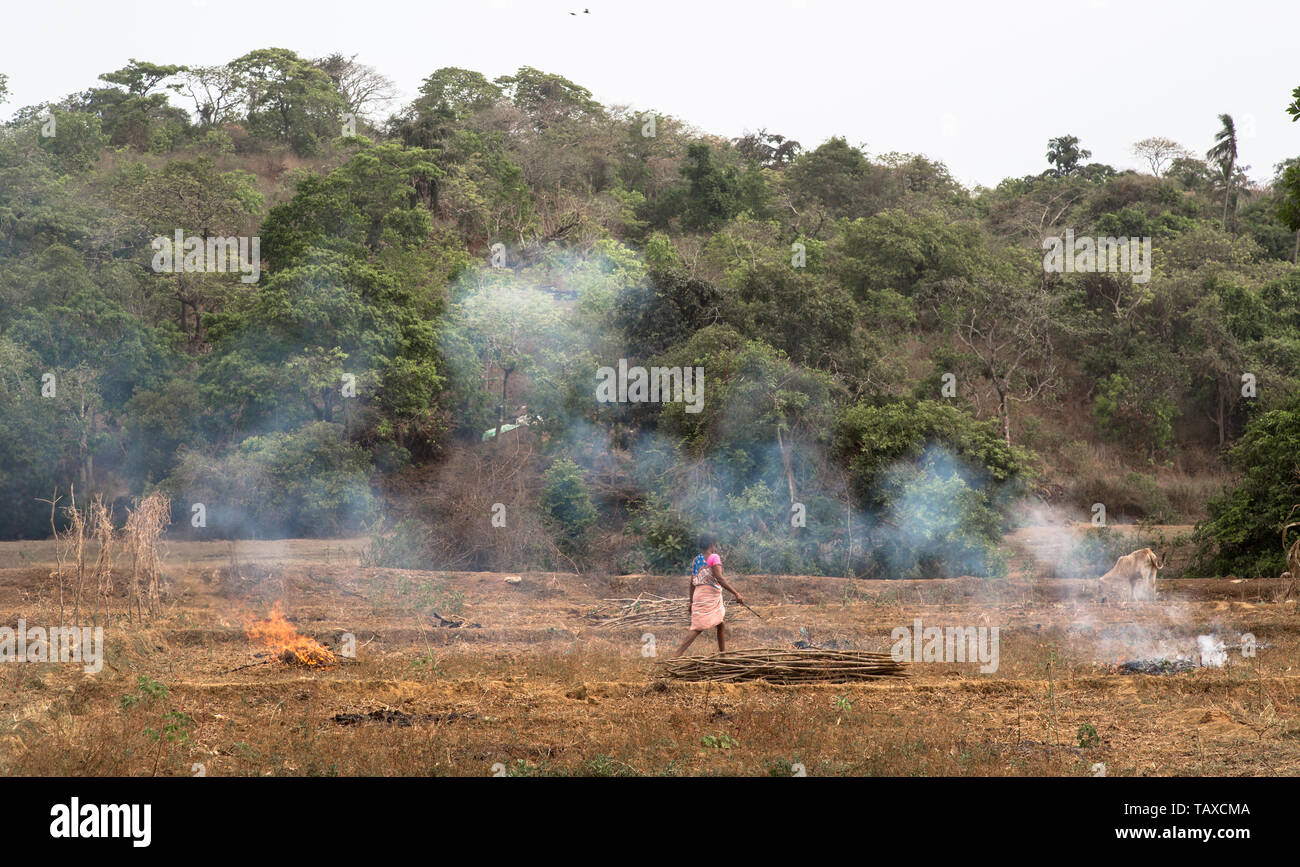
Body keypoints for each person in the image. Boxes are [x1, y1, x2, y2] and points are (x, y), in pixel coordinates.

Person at [674, 533, 744, 656]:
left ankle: (723, 655)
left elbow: (692, 583)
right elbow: (720, 579)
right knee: (697, 628)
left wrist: (691, 602)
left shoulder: (697, 560)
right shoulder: (714, 557)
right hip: (709, 596)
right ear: (712, 544)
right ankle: (676, 655)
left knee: (720, 623)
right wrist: (736, 593)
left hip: (699, 594)